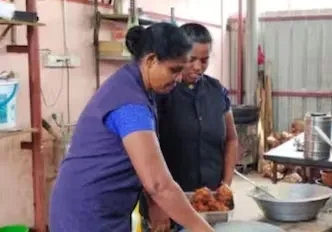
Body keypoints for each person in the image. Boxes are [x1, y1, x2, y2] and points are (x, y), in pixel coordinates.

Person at [49, 22, 214, 232]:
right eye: (174, 70)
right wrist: (204, 229)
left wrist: (156, 204)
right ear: (151, 60)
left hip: (101, 206)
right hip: (87, 212)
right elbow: (158, 184)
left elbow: (143, 162)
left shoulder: (135, 85)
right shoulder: (130, 105)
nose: (179, 78)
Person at [140, 23, 239, 231]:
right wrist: (155, 202)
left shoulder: (217, 91)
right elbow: (142, 156)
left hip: (211, 207)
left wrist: (226, 186)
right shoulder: (160, 93)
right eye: (191, 59)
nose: (198, 67)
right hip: (168, 207)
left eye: (204, 60)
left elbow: (232, 140)